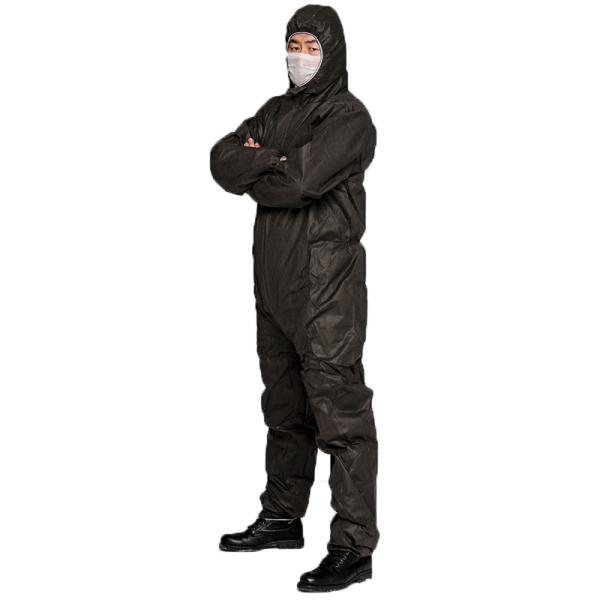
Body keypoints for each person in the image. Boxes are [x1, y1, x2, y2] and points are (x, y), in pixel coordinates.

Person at [209, 4, 379, 593]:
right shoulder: (275, 111)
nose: (300, 56)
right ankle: (282, 517)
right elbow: (221, 160)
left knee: (341, 417)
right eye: (294, 45)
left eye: (312, 47)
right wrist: (270, 159)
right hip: (274, 288)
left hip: (326, 293)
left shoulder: (350, 119)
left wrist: (264, 167)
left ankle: (353, 546)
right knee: (284, 411)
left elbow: (302, 182)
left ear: (332, 53)